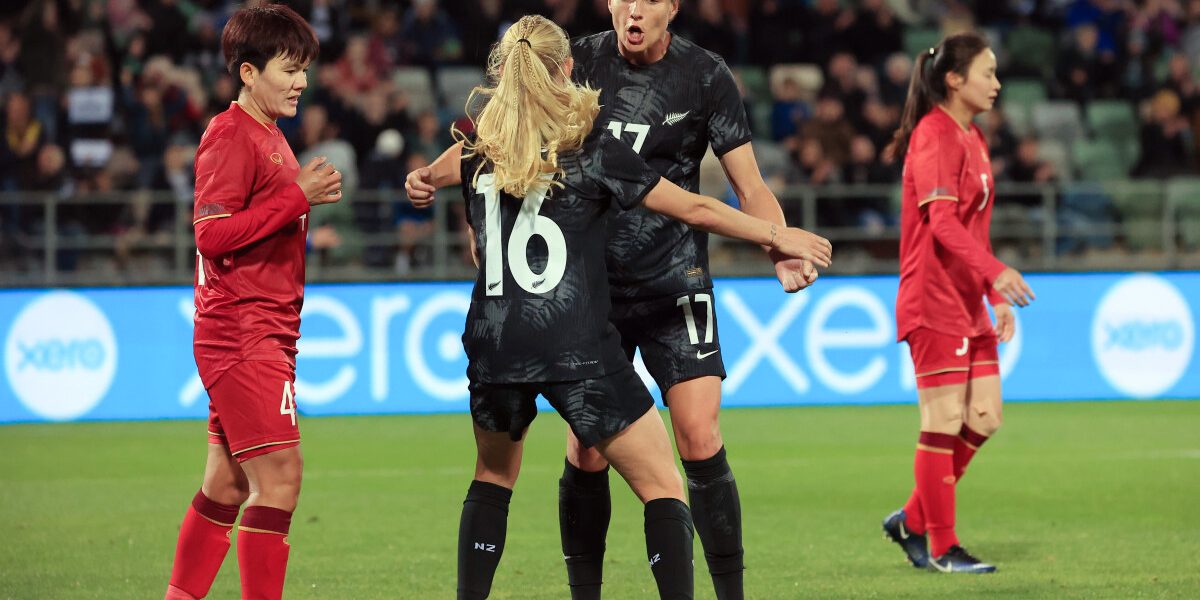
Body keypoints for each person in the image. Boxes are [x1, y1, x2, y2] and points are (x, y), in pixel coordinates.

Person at [408, 3, 826, 597]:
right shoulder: (583, 92)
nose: (634, 8)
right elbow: (501, 133)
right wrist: (432, 173)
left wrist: (777, 248)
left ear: (671, 7)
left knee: (697, 437)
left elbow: (748, 183)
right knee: (605, 459)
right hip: (587, 296)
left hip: (662, 282)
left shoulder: (705, 75)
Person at [163, 6, 342, 599]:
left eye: (304, 69)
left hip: (261, 330)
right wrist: (297, 196)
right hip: (243, 332)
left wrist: (297, 200)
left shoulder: (269, 134)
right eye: (290, 69)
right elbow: (210, 236)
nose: (302, 82)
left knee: (228, 485)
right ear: (247, 70)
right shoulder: (230, 133)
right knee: (282, 478)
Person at [880, 31, 1035, 575]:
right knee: (943, 420)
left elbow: (974, 228)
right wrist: (998, 271)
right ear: (954, 79)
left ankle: (911, 519)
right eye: (987, 73)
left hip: (969, 300)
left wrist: (995, 293)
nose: (996, 83)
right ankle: (942, 547)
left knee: (985, 417)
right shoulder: (934, 135)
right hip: (932, 298)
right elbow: (941, 222)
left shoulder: (974, 138)